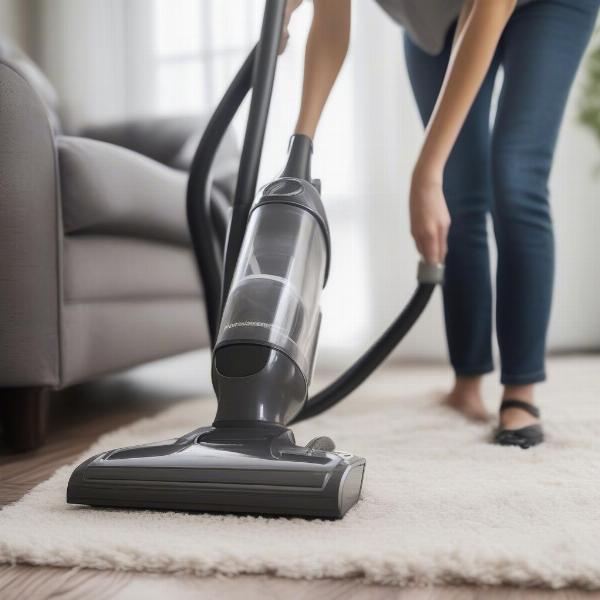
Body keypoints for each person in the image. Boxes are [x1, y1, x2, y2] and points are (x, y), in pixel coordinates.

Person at [282, 0, 599, 448]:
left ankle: (519, 393)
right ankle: (466, 384)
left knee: (515, 174)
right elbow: (332, 24)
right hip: (433, 20)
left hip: (545, 6)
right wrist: (300, 145)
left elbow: (490, 8)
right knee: (459, 190)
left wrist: (426, 170)